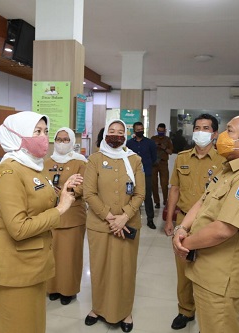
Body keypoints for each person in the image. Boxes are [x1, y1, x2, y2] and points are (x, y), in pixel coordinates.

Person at [172, 113, 239, 333]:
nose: (221, 137)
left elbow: (223, 229)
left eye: (230, 131)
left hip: (222, 279)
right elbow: (203, 201)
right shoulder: (228, 169)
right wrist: (182, 228)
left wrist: (184, 244)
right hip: (207, 269)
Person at [0, 111, 83, 333]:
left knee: (34, 325)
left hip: (34, 260)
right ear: (17, 136)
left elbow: (38, 202)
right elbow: (18, 228)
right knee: (18, 326)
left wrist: (63, 193)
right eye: (36, 132)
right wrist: (60, 209)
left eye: (45, 131)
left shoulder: (31, 165)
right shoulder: (10, 171)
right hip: (16, 264)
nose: (43, 137)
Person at [164, 114, 225, 330]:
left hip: (211, 223)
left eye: (206, 128)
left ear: (215, 133)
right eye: (197, 127)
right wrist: (170, 218)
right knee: (183, 272)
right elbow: (175, 189)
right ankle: (185, 311)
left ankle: (207, 316)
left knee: (207, 272)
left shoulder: (224, 161)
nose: (200, 131)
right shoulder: (181, 158)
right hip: (184, 221)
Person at [83, 119, 145, 333]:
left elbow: (140, 193)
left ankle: (125, 311)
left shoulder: (135, 159)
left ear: (126, 136)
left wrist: (124, 217)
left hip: (127, 225)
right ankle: (97, 308)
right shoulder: (94, 159)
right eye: (112, 131)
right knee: (99, 267)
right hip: (100, 225)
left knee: (125, 270)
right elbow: (88, 193)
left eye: (120, 132)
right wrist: (110, 217)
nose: (116, 135)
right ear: (105, 134)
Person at [44, 127, 88, 305]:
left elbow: (83, 186)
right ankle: (52, 287)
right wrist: (49, 192)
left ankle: (68, 290)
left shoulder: (80, 162)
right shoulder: (45, 163)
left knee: (70, 257)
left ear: (72, 142)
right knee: (51, 256)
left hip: (72, 217)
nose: (62, 143)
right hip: (51, 216)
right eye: (59, 139)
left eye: (65, 139)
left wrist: (66, 192)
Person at [126, 121, 158, 229]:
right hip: (131, 174)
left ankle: (150, 219)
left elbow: (154, 158)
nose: (140, 131)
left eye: (141, 129)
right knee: (131, 195)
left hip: (146, 173)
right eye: (138, 129)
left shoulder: (150, 143)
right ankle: (132, 217)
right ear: (134, 130)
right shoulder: (129, 143)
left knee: (147, 196)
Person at [151, 123, 173, 208]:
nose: (160, 132)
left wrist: (164, 147)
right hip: (154, 164)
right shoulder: (153, 139)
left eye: (162, 131)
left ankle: (165, 201)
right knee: (154, 183)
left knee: (164, 183)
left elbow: (170, 152)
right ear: (157, 130)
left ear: (165, 131)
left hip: (163, 163)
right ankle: (157, 202)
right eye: (159, 131)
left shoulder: (168, 140)